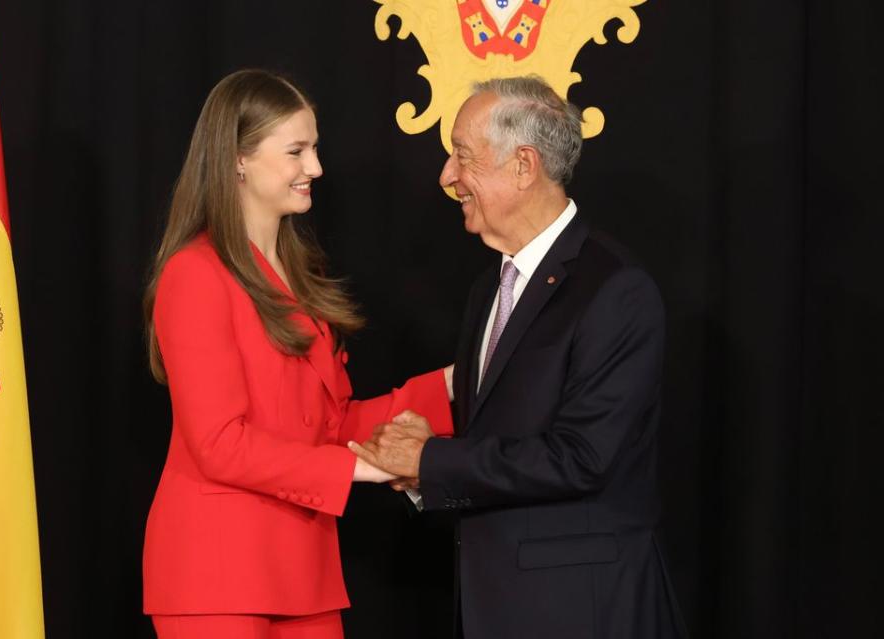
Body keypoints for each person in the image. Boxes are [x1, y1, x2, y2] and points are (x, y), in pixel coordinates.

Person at [350, 76, 688, 639]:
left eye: (461, 156)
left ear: (524, 166)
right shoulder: (489, 287)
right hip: (495, 607)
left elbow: (581, 458)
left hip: (581, 612)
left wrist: (431, 460)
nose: (446, 177)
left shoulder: (615, 289)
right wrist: (422, 464)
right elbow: (499, 439)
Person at [141, 69, 453, 639]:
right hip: (216, 575)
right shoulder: (193, 273)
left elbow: (330, 427)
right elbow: (218, 444)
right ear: (237, 158)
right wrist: (365, 468)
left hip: (302, 570)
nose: (316, 168)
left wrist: (456, 385)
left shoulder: (298, 275)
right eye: (297, 151)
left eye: (314, 148)